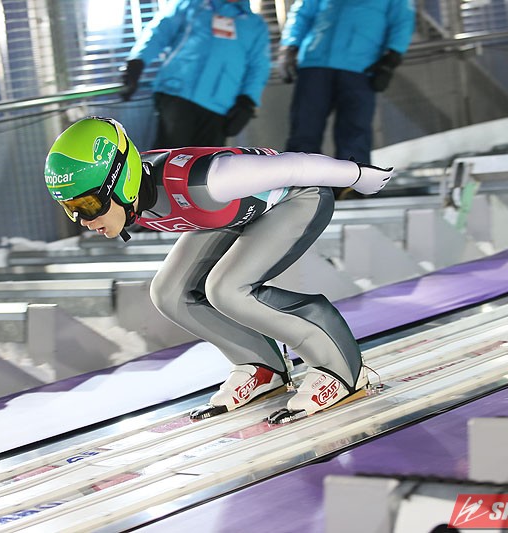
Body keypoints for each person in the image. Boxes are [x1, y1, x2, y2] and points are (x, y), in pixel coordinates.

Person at [43, 117, 393, 423]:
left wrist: (358, 175)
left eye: (88, 204)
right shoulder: (135, 196)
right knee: (168, 293)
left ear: (121, 181)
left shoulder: (208, 181)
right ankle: (261, 366)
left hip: (298, 198)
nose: (82, 220)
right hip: (236, 213)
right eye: (69, 208)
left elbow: (294, 166)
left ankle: (340, 368)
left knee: (227, 289)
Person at [278, 0, 415, 196]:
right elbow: (303, 12)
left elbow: (402, 20)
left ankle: (351, 188)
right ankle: (299, 187)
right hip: (316, 62)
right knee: (304, 128)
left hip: (360, 66)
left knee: (354, 131)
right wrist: (289, 47)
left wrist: (392, 57)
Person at [118, 0, 270, 148]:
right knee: (168, 159)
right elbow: (160, 32)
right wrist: (137, 61)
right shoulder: (191, 3)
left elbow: (258, 66)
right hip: (177, 94)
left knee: (207, 163)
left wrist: (247, 102)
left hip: (219, 108)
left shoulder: (255, 25)